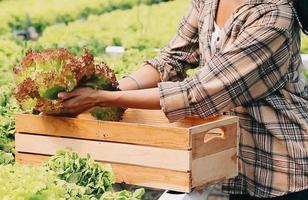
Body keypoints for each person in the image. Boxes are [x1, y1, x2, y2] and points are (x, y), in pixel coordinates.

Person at [57, 0, 308, 199]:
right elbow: (172, 59)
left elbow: (199, 93)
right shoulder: (209, 2)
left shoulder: (275, 15)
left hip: (280, 163)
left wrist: (104, 98)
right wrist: (112, 88)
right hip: (235, 154)